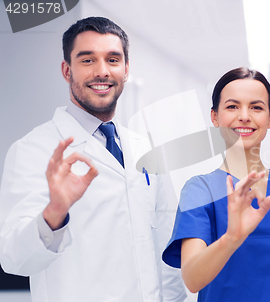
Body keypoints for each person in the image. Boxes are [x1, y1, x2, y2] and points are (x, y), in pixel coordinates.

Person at [0, 17, 186, 302]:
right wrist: (54, 214)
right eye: (87, 60)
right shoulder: (32, 150)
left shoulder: (144, 149)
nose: (102, 72)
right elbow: (13, 260)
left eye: (113, 60)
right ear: (67, 70)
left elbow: (165, 245)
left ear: (125, 70)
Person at [162, 67, 270, 301]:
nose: (244, 116)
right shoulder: (200, 191)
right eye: (232, 106)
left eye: (256, 107)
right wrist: (231, 239)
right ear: (214, 117)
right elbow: (192, 279)